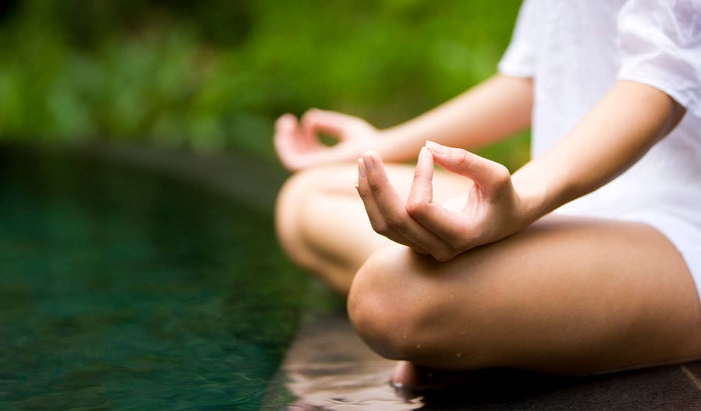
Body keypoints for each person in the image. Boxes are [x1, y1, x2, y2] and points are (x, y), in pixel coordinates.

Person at [272, 0, 701, 390]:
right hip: (568, 199)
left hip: (677, 228)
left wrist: (523, 200)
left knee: (388, 299)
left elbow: (659, 83)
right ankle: (481, 311)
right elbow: (532, 76)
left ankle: (464, 310)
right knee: (306, 194)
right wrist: (381, 146)